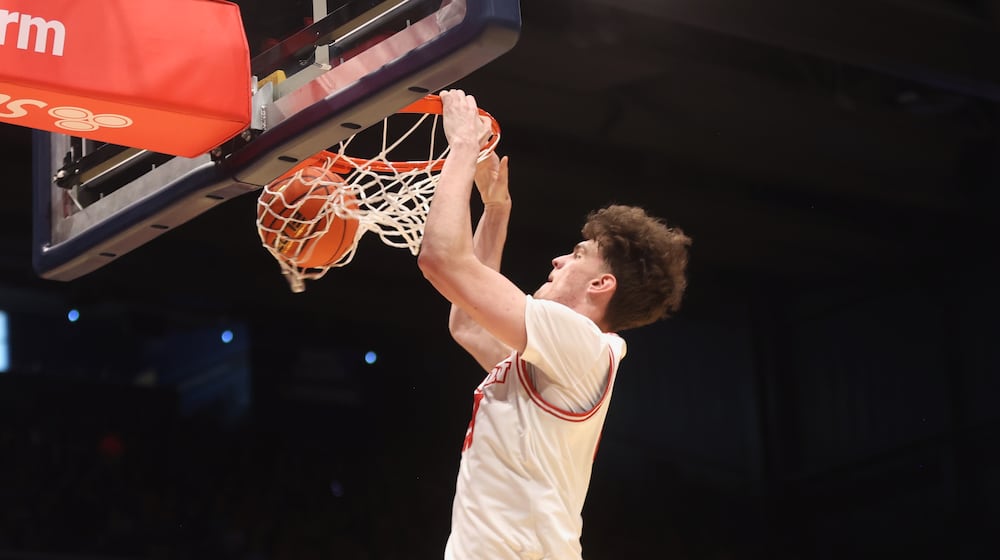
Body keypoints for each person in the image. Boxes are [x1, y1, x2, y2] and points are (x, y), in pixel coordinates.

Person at [418, 89, 692, 560]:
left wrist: (463, 145)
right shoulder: (564, 357)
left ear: (602, 284)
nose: (559, 258)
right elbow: (467, 323)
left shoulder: (581, 342)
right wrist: (496, 212)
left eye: (578, 255)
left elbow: (441, 259)